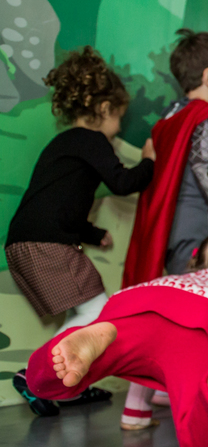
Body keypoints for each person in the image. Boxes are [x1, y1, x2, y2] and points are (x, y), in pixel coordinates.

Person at [23, 228, 208, 447]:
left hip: (139, 302)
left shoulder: (181, 279)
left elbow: (149, 364)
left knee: (47, 381)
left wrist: (135, 415)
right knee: (201, 446)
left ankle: (91, 337)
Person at [6, 48, 156, 417]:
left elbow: (59, 202)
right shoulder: (92, 140)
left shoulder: (63, 144)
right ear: (104, 109)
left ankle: (69, 387)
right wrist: (150, 160)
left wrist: (91, 234)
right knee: (98, 312)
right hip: (47, 243)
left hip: (25, 240)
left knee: (87, 311)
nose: (119, 128)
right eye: (119, 118)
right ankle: (34, 375)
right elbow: (122, 182)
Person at [124, 29, 208, 286]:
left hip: (164, 223)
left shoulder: (172, 113)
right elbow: (204, 163)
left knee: (175, 284)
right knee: (192, 288)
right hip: (192, 221)